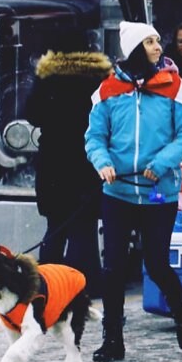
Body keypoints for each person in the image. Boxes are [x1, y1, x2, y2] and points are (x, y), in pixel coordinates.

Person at [85, 22, 182, 361]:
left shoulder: (173, 86)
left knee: (156, 262)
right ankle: (113, 340)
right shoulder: (107, 90)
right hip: (117, 193)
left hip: (158, 193)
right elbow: (94, 137)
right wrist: (102, 162)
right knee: (114, 269)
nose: (157, 47)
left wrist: (163, 162)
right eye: (149, 42)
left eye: (156, 40)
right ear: (134, 48)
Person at [26, 47, 112, 296]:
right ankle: (86, 285)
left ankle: (45, 285)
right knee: (83, 229)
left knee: (55, 228)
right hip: (87, 162)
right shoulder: (99, 78)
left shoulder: (48, 77)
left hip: (53, 164)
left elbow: (33, 114)